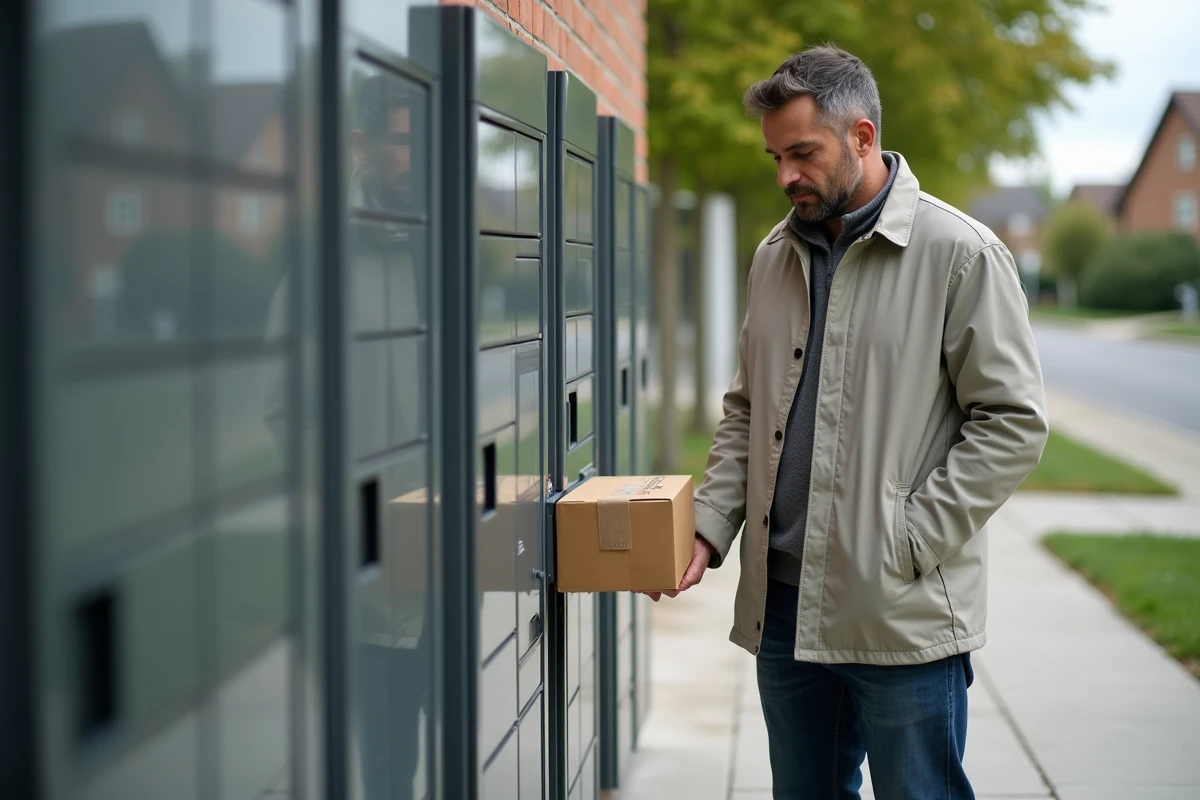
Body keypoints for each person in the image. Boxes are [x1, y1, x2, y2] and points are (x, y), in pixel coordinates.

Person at [651, 45, 1049, 800]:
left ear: (862, 137)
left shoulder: (960, 253)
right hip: (783, 611)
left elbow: (1012, 421)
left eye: (802, 153)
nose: (784, 176)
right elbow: (746, 409)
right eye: (774, 156)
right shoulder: (772, 256)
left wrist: (910, 540)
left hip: (899, 612)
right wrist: (709, 524)